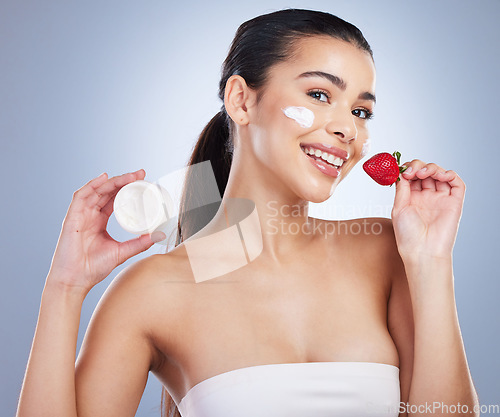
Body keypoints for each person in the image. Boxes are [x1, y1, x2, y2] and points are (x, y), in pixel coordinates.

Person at [16, 8, 479, 417]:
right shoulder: (153, 292)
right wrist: (64, 288)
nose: (347, 129)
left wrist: (432, 262)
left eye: (362, 111)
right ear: (241, 100)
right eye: (319, 95)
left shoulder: (387, 252)